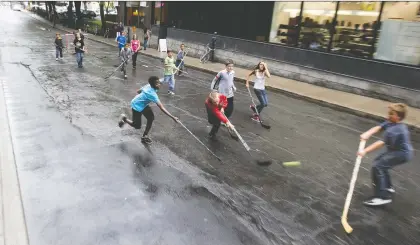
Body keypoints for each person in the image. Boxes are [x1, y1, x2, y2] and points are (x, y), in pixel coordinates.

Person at [358, 103, 413, 206]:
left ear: (398, 117)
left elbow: (381, 143)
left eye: (391, 114)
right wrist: (367, 133)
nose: (388, 115)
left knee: (377, 166)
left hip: (402, 154)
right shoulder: (392, 122)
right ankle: (387, 187)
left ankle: (382, 197)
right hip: (396, 150)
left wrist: (364, 151)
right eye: (389, 113)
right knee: (379, 163)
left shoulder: (395, 130)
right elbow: (379, 127)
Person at [118, 76, 179, 144]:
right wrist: (173, 117)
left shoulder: (149, 85)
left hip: (143, 104)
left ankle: (144, 136)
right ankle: (125, 119)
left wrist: (143, 96)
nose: (159, 84)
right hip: (136, 106)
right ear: (153, 85)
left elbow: (138, 91)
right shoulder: (152, 94)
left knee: (151, 118)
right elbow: (161, 107)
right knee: (137, 126)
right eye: (157, 83)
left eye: (159, 82)